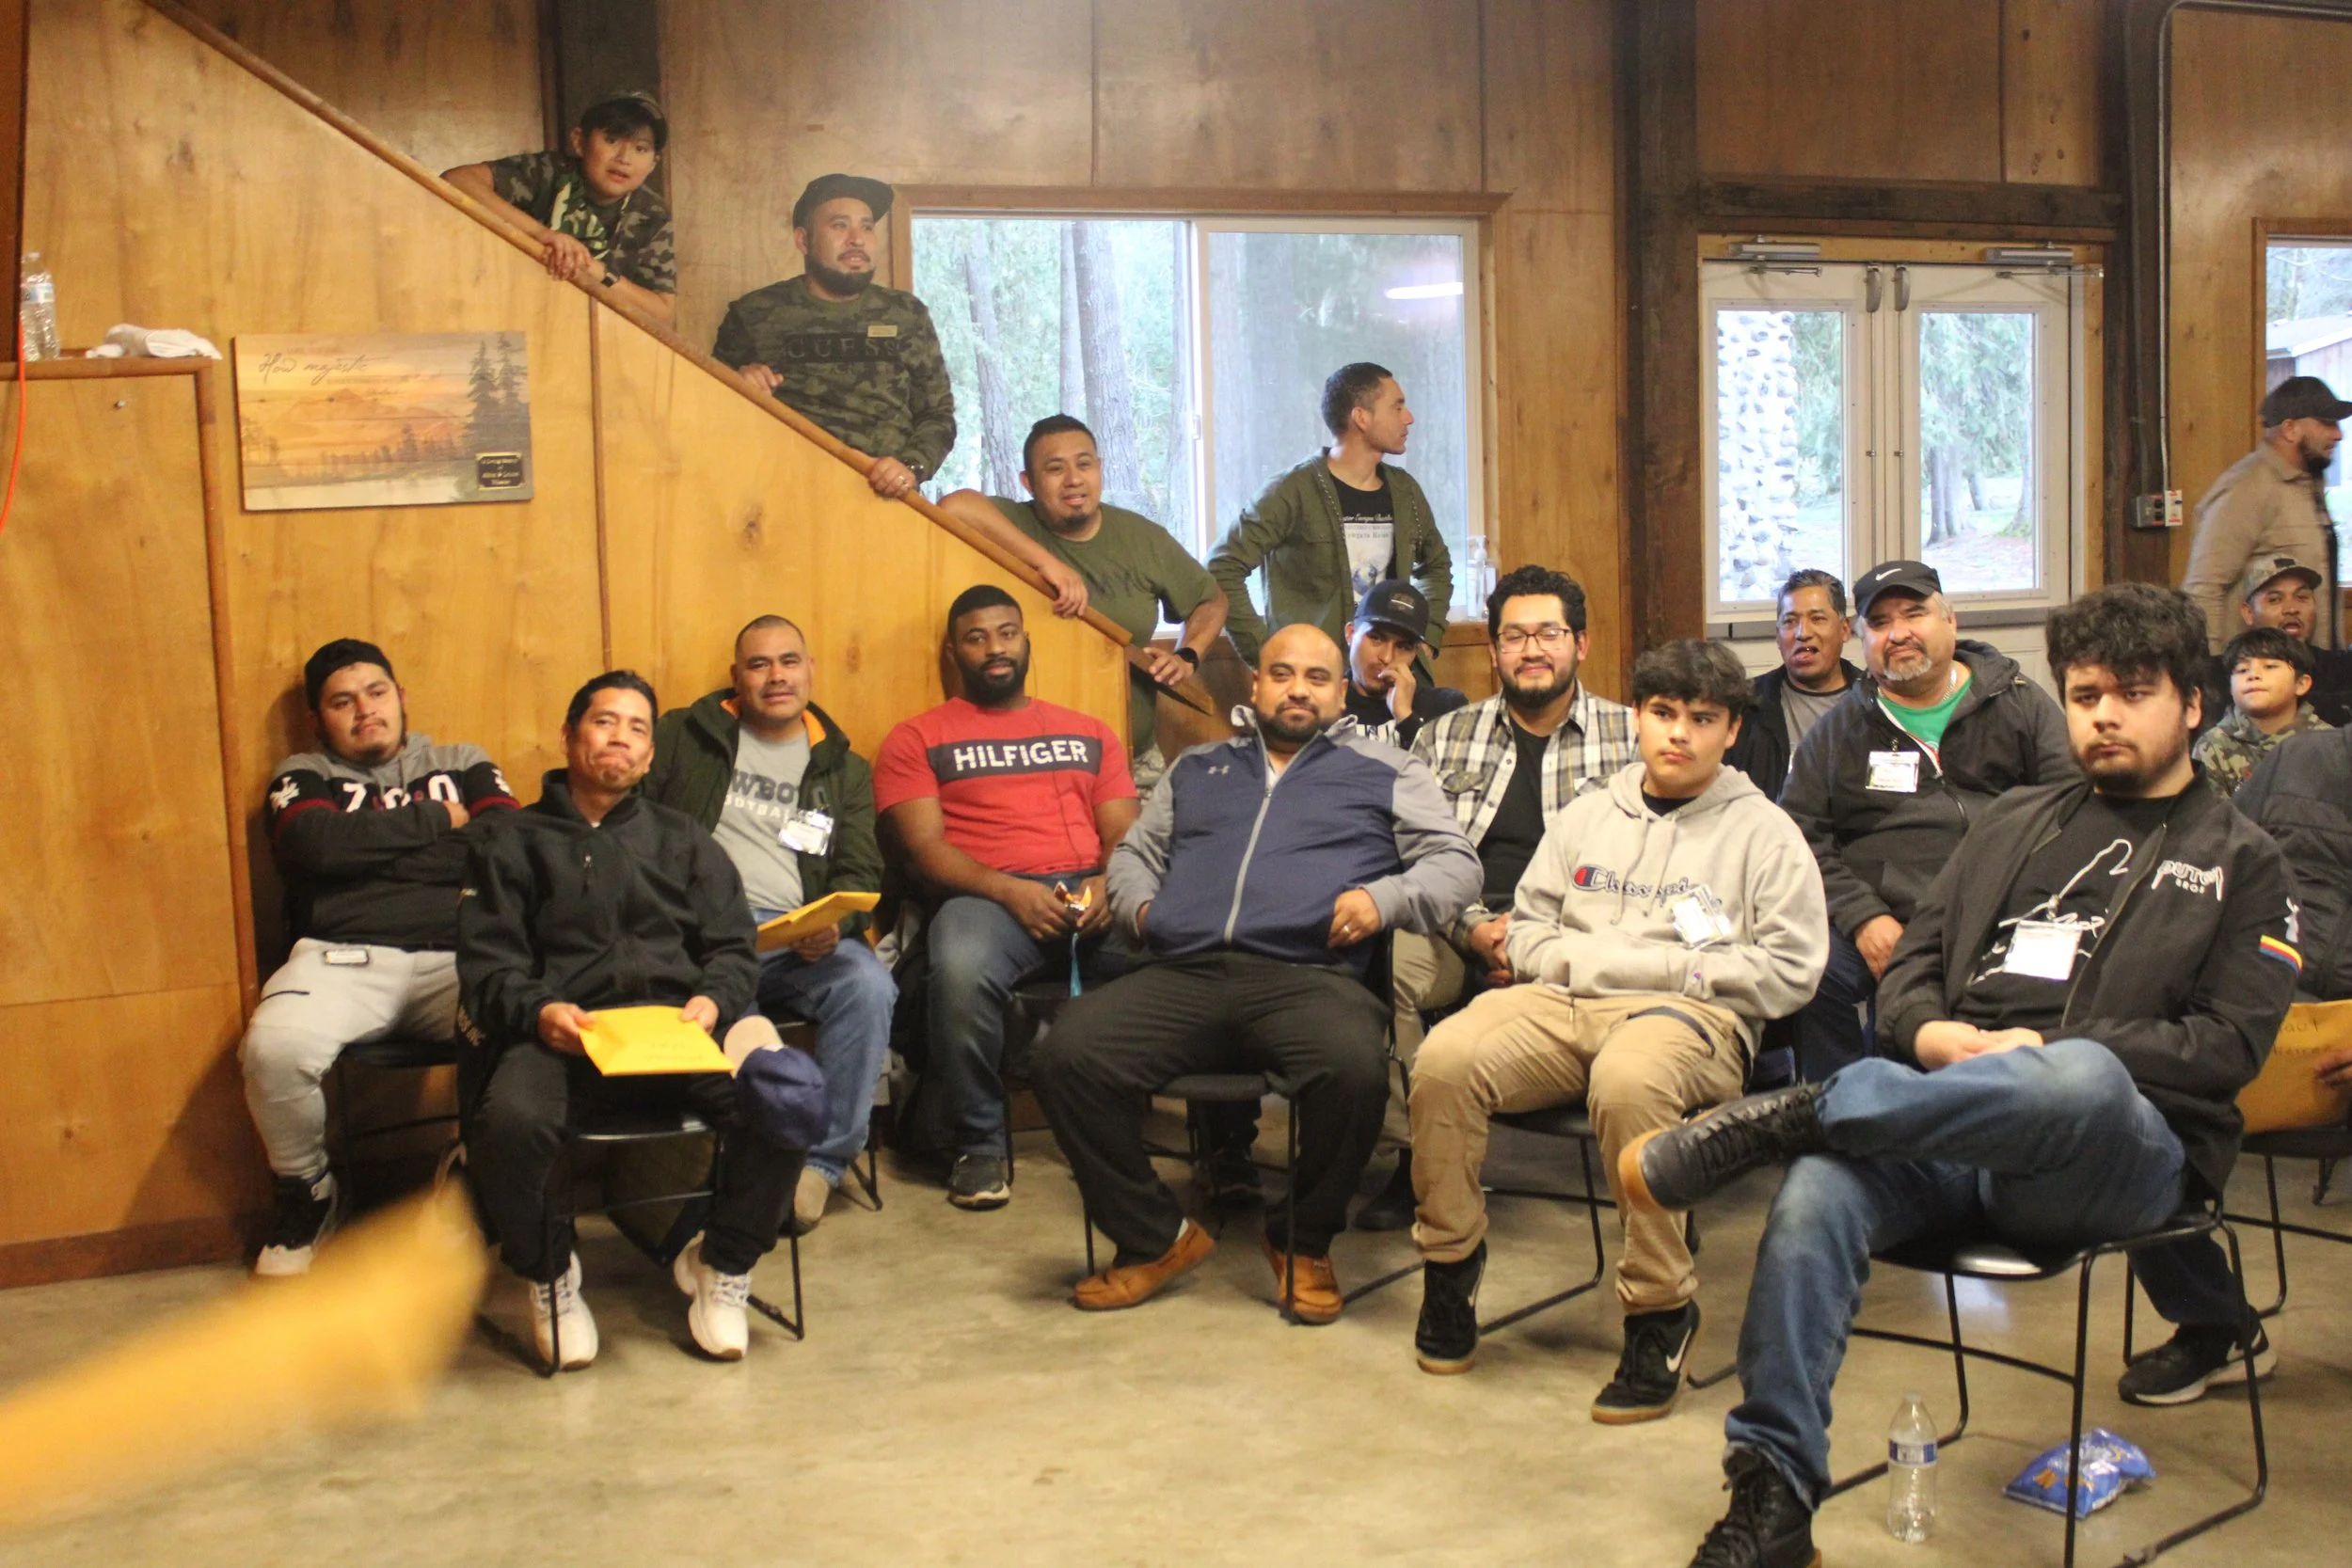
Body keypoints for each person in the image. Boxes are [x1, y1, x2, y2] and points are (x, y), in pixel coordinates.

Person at [1637, 583, 2295, 1568]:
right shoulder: (2017, 819)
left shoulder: (2246, 860)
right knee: (1816, 1191)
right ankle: (1774, 1495)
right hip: (1950, 1124)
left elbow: (2227, 1047)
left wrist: (2044, 1051)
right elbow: (1910, 965)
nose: (2103, 715)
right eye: (2084, 695)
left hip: (2113, 1149)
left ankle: (1817, 1106)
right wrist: (1931, 1032)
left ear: (2192, 703)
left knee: (2080, 1073)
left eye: (2133, 693)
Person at [1408, 641, 1827, 1421]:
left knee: (1630, 1080)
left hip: (1692, 1016)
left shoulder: (1765, 831)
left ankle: (1659, 1310)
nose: (1680, 733)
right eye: (1663, 713)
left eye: (1702, 718)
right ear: (1637, 716)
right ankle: (1450, 1265)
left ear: (1732, 730)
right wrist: (1584, 962)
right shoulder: (1590, 813)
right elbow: (1527, 928)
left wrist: (1666, 972)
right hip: (1562, 1001)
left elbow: (1792, 969)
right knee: (1444, 1058)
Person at [1030, 624, 1480, 1323]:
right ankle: (1154, 1236)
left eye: (1317, 677)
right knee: (1064, 1052)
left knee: (1354, 1069)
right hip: (1185, 969)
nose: (1298, 689)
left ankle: (1302, 1239)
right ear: (1256, 684)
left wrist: (1382, 899)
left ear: (1340, 694)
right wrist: (1141, 908)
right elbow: (1135, 853)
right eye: (1282, 673)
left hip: (1310, 976)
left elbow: (1456, 864)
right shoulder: (1199, 767)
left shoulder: (1387, 770)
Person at [460, 672, 816, 1369]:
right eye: (604, 722)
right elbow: (487, 968)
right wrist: (541, 1011)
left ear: (651, 754)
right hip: (565, 1040)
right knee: (508, 1121)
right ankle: (549, 1272)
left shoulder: (685, 840)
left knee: (788, 1098)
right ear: (569, 736)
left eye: (637, 728)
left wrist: (714, 1000)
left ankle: (722, 1261)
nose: (620, 738)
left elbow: (733, 948)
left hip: (679, 1039)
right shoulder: (511, 841)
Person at [1351, 564, 1638, 1233]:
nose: (1531, 650)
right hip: (1461, 924)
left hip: (1587, 929)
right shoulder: (1446, 735)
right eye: (1514, 636)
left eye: (1549, 634)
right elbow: (1414, 853)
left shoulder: (1631, 737)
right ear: (1493, 650)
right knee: (1387, 963)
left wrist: (1541, 941)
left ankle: (1651, 1172)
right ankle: (1420, 1160)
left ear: (1581, 643)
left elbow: (1647, 863)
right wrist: (1475, 930)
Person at [238, 640, 520, 1277]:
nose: (365, 709)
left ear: (400, 697)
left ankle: (473, 1172)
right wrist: (437, 819)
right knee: (274, 1049)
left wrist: (363, 863)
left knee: (527, 1025)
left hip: (457, 956)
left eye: (376, 692)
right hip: (341, 960)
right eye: (343, 701)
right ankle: (308, 1189)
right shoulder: (301, 773)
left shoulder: (462, 761)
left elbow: (506, 842)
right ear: (318, 719)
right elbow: (315, 845)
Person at [873, 585, 1138, 1210]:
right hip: (987, 899)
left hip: (1091, 890)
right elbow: (924, 851)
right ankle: (980, 1144)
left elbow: (1125, 832)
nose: (995, 648)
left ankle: (1217, 1147)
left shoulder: (1089, 732)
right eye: (976, 637)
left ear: (1025, 640)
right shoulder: (916, 738)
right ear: (953, 652)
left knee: (1192, 941)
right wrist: (1009, 891)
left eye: (1007, 633)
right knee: (959, 964)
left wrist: (1109, 881)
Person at [641, 615, 894, 1234]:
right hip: (707, 937)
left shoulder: (843, 767)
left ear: (810, 671)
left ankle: (822, 1164)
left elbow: (860, 868)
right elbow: (633, 822)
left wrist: (837, 923)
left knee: (869, 985)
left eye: (789, 661)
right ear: (738, 677)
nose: (776, 676)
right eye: (759, 664)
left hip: (796, 937)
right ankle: (754, 1167)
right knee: (731, 1007)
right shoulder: (684, 736)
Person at [1779, 560, 2074, 1082]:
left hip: (2007, 909)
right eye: (1880, 623)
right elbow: (1799, 834)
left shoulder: (2018, 703)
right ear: (1861, 638)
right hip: (1890, 917)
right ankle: (1835, 1105)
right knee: (1812, 969)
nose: (1898, 634)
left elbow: (2072, 803)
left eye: (1913, 614)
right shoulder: (1839, 731)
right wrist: (1862, 916)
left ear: (1950, 621)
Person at [938, 415, 1228, 787]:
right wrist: (1046, 563)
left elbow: (1211, 600)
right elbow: (954, 506)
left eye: (1084, 464)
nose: (1074, 479)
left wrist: (1187, 655)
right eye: (1055, 469)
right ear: (1028, 482)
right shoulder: (1014, 522)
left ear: (1100, 469)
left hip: (1130, 758)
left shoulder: (1143, 538)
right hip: (1031, 763)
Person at [712, 174, 954, 500]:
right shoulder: (753, 314)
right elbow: (708, 417)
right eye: (840, 225)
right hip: (785, 498)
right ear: (803, 240)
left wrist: (909, 467)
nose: (857, 239)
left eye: (866, 227)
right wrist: (737, 386)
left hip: (886, 503)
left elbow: (938, 416)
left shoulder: (907, 314)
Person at [1208, 362, 1453, 672]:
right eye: (1397, 407)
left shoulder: (1406, 491)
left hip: (1388, 682)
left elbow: (1437, 566)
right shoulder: (1291, 491)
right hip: (1313, 681)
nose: (1409, 418)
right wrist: (1266, 654)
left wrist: (1426, 635)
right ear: (1361, 417)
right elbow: (1222, 567)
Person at [442, 91, 675, 325]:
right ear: (579, 141)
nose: (624, 158)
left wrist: (596, 271)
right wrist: (541, 234)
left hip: (596, 331)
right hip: (511, 311)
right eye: (612, 140)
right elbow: (457, 180)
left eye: (641, 149)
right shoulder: (548, 173)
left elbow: (662, 311)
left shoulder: (652, 213)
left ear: (653, 164)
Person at [2182, 373, 2350, 653]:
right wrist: (2210, 668)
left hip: (2312, 666)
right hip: (2257, 669)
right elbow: (2204, 588)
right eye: (2327, 423)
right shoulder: (2247, 488)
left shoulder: (2308, 485)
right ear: (2290, 429)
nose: (2338, 434)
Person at [1724, 567, 1861, 800]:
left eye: (1817, 619)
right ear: (1778, 636)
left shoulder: (1876, 702)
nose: (1802, 633)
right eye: (1790, 621)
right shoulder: (1743, 705)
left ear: (1845, 630)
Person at [2192, 625, 2331, 798]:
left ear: (2301, 684)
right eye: (2242, 670)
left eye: (2269, 666)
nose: (2253, 675)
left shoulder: (2329, 742)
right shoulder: (2212, 746)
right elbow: (2209, 812)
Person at [2222, 552, 2352, 726]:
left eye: (2302, 597)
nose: (2292, 609)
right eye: (2275, 599)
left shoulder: (2340, 667)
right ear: (2249, 613)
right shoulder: (2230, 675)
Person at [1343, 578, 1468, 749]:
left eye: (1403, 647)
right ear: (1351, 634)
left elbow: (1447, 766)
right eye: (1376, 638)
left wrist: (1406, 719)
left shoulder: (1446, 707)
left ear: (1415, 652)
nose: (1387, 658)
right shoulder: (1323, 705)